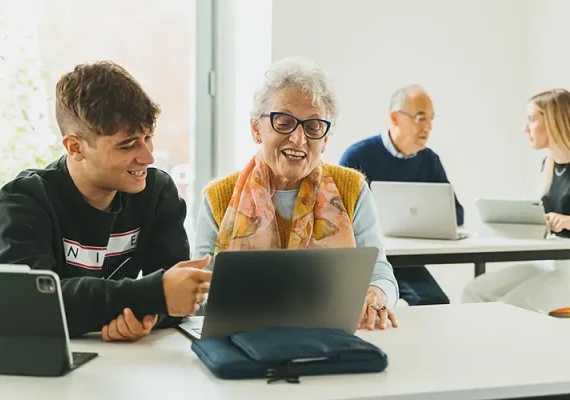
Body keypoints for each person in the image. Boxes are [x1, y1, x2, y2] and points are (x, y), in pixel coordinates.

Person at [0, 61, 212, 341]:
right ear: (75, 147)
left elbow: (178, 295)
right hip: (44, 372)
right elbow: (28, 305)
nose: (148, 157)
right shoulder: (22, 201)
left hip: (125, 365)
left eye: (148, 138)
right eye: (128, 145)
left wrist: (145, 314)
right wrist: (147, 298)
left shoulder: (157, 191)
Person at [194, 56, 399, 330]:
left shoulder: (352, 189)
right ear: (257, 128)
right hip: (242, 340)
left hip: (330, 338)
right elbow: (198, 292)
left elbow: (380, 272)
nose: (298, 138)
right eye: (283, 121)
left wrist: (377, 294)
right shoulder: (218, 197)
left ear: (325, 139)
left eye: (313, 126)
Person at [339, 84, 463, 306]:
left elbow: (456, 215)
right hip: (367, 263)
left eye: (432, 119)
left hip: (408, 261)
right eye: (420, 117)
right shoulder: (358, 156)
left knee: (436, 303)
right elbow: (336, 217)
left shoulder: (429, 160)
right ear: (395, 118)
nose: (428, 127)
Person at [462, 88, 570, 313]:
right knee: (474, 291)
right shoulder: (549, 166)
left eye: (532, 120)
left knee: (511, 307)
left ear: (553, 121)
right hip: (553, 260)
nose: (525, 128)